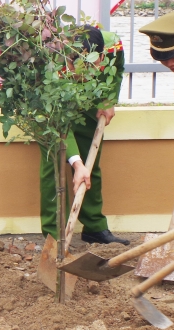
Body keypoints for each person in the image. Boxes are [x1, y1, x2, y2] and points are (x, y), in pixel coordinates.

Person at [44, 25, 127, 244]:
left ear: (101, 55)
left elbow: (116, 68)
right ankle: (55, 237)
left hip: (89, 100)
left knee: (91, 166)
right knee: (54, 165)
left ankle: (94, 228)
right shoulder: (51, 62)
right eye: (77, 65)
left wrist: (108, 100)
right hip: (52, 107)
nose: (84, 72)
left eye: (92, 65)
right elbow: (59, 124)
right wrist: (76, 164)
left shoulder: (113, 46)